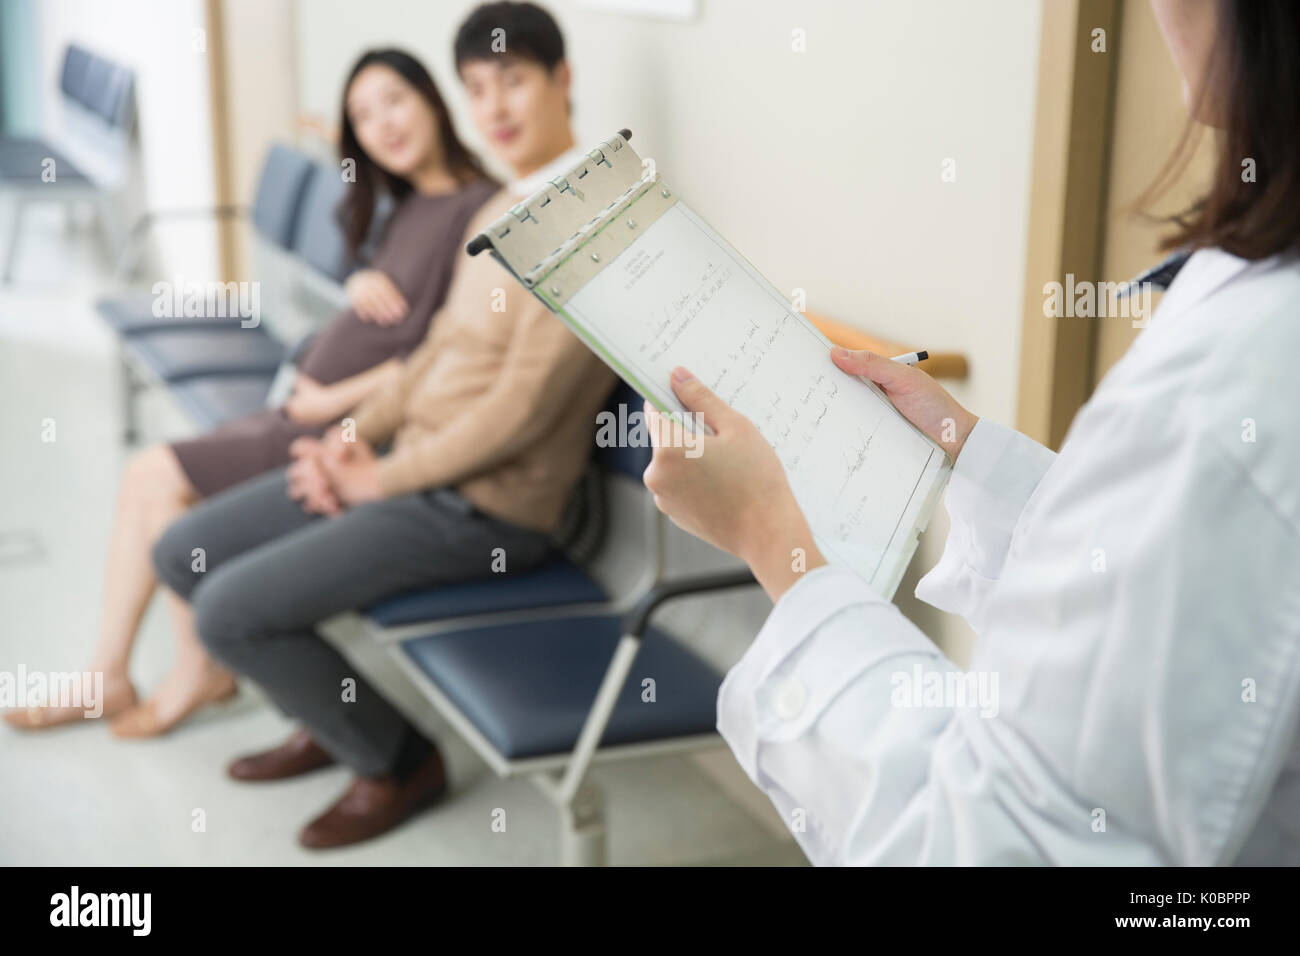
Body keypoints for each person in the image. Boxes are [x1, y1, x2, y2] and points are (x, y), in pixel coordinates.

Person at [642, 0, 1300, 865]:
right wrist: (965, 442)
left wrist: (775, 543)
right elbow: (1153, 560)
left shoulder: (1235, 378)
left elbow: (989, 842)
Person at [150, 1, 617, 849]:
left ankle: (396, 760)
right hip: (409, 466)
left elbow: (519, 413)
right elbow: (437, 354)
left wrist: (375, 478)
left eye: (513, 81)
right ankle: (330, 717)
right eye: (477, 88)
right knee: (183, 550)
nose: (496, 108)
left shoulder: (590, 224)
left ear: (564, 80)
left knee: (226, 614)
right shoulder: (501, 208)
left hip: (486, 511)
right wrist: (352, 440)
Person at [4, 50, 497, 737]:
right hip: (300, 405)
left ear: (432, 101)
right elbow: (386, 301)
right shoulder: (406, 203)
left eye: (395, 101)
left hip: (344, 428)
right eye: (362, 116)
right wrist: (356, 285)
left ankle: (146, 674)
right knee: (155, 485)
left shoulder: (480, 213)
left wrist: (327, 405)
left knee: (154, 477)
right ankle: (137, 672)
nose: (382, 125)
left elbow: (443, 358)